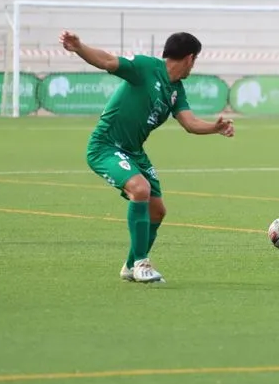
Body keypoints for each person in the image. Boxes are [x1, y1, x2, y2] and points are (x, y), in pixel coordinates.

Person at [59, 30, 235, 283]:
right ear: (189, 58)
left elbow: (190, 123)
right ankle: (142, 263)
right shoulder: (145, 67)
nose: (193, 65)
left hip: (134, 152)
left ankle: (130, 266)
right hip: (105, 146)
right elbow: (107, 61)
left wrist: (214, 128)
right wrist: (79, 47)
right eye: (195, 60)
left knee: (157, 211)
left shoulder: (176, 90)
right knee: (140, 189)